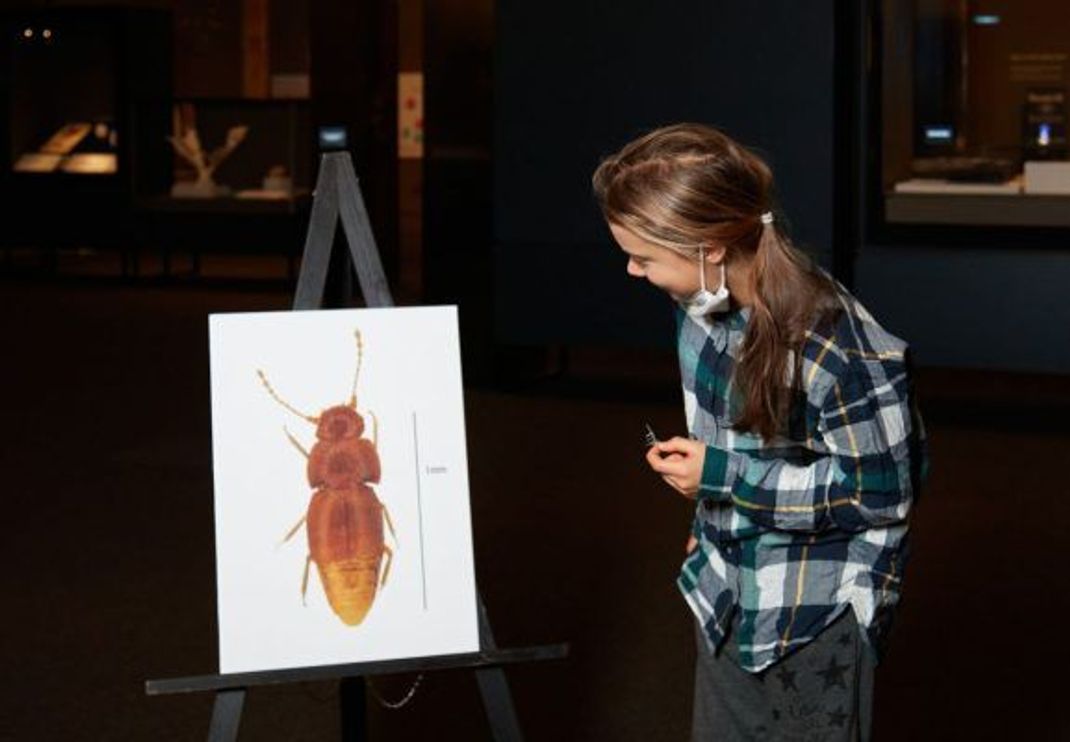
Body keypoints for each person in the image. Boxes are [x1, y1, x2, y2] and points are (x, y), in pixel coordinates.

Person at [591, 123, 928, 741]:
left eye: (644, 256)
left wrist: (721, 477)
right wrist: (709, 521)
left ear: (710, 247)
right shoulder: (697, 308)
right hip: (723, 590)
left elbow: (880, 494)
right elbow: (737, 436)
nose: (632, 270)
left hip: (811, 615)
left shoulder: (838, 347)